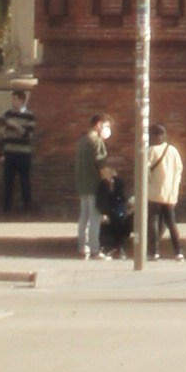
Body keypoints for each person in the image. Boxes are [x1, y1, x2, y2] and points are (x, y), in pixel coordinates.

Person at [0, 82, 38, 221]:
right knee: (8, 180)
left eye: (15, 99)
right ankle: (6, 208)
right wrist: (1, 123)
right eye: (12, 99)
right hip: (9, 151)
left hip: (23, 152)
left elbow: (29, 135)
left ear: (21, 100)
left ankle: (27, 207)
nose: (13, 102)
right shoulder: (8, 113)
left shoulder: (30, 115)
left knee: (24, 180)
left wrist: (16, 126)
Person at [147, 121, 186, 261]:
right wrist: (175, 186)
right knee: (171, 223)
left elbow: (145, 173)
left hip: (153, 193)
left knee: (152, 222)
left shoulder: (150, 151)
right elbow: (179, 169)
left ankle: (154, 251)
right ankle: (178, 251)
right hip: (170, 193)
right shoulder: (173, 150)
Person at [74, 110, 108, 262]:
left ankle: (82, 247)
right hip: (94, 184)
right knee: (95, 217)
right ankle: (94, 250)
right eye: (106, 126)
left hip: (82, 184)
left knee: (84, 216)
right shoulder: (97, 142)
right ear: (99, 125)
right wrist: (108, 179)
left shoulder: (82, 141)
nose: (107, 130)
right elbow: (101, 164)